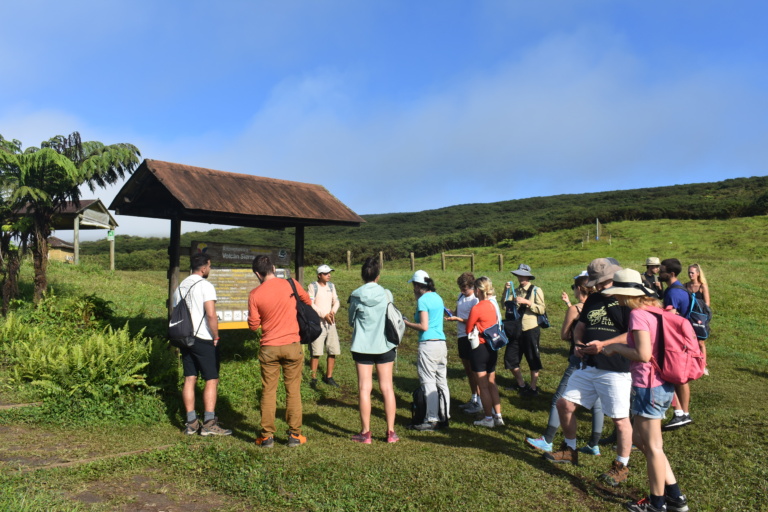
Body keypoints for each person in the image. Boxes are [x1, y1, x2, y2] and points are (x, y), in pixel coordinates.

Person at [601, 269, 690, 512]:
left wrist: (615, 347)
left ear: (625, 294)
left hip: (649, 385)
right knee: (643, 440)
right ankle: (675, 497)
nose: (615, 297)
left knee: (652, 447)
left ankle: (657, 503)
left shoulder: (638, 315)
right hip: (661, 383)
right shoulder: (655, 310)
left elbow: (642, 354)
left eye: (617, 293)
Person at [545, 258, 634, 488]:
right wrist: (577, 342)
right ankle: (570, 449)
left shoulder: (625, 300)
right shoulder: (594, 298)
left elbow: (634, 334)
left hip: (615, 368)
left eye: (603, 282)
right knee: (564, 404)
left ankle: (621, 466)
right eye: (597, 283)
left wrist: (604, 345)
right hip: (589, 364)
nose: (599, 287)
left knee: (620, 420)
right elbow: (581, 325)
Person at [526, 271, 604, 455]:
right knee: (597, 401)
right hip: (598, 357)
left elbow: (563, 335)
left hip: (578, 356)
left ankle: (548, 439)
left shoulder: (576, 309)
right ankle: (594, 444)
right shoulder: (600, 307)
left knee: (559, 398)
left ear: (579, 289)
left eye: (574, 287)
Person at [248, 255, 309, 448]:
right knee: (293, 391)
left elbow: (253, 326)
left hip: (269, 348)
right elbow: (307, 301)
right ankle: (294, 435)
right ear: (273, 268)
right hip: (292, 344)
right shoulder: (291, 284)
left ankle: (267, 436)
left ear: (257, 274)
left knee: (268, 391)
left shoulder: (254, 294)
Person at [173, 253, 231, 436]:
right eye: (209, 266)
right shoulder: (205, 285)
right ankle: (209, 423)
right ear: (204, 267)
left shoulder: (181, 286)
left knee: (190, 378)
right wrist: (216, 336)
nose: (210, 269)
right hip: (203, 337)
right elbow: (211, 314)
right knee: (211, 379)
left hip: (185, 338)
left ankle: (191, 422)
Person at [348, 256, 399, 443]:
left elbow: (351, 320)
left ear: (363, 275)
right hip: (385, 345)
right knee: (387, 387)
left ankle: (365, 432)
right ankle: (391, 432)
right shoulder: (387, 294)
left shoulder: (356, 295)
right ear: (378, 275)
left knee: (364, 388)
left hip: (362, 346)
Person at [404, 269, 450, 431]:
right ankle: (445, 415)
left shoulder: (423, 300)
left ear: (418, 286)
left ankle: (431, 419)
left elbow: (424, 326)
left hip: (428, 344)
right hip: (441, 343)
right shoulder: (438, 297)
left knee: (428, 381)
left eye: (414, 286)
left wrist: (407, 323)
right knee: (441, 381)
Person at [465, 276, 504, 428]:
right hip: (492, 347)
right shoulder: (492, 305)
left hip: (480, 348)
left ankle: (488, 418)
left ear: (477, 290)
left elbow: (468, 329)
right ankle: (498, 415)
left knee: (483, 386)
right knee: (492, 382)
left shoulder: (477, 308)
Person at [659, 258, 693, 431]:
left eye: (662, 270)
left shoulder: (673, 293)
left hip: (675, 340)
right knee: (678, 377)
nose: (659, 272)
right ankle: (681, 412)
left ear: (671, 273)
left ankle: (681, 413)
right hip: (680, 339)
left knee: (677, 377)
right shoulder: (678, 289)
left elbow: (669, 317)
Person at [503, 264, 546, 396]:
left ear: (528, 277)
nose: (520, 278)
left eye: (523, 275)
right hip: (515, 329)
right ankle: (521, 384)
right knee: (510, 358)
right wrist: (506, 291)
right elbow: (505, 306)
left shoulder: (536, 290)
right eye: (519, 275)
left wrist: (527, 303)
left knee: (533, 358)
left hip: (530, 329)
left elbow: (542, 309)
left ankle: (533, 388)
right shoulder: (515, 290)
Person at [445, 272, 482, 414]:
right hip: (461, 336)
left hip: (471, 336)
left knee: (475, 370)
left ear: (471, 286)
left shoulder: (475, 299)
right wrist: (451, 313)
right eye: (460, 288)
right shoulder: (461, 296)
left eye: (464, 288)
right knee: (468, 370)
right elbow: (459, 312)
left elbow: (475, 321)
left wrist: (458, 319)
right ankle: (473, 398)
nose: (462, 291)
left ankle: (480, 401)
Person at [308, 264, 341, 388]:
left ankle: (329, 377)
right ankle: (313, 378)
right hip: (318, 324)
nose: (329, 275)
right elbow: (311, 303)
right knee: (316, 352)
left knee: (332, 350)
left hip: (331, 323)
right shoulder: (313, 286)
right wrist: (323, 315)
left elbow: (336, 300)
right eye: (326, 273)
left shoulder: (331, 286)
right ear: (319, 275)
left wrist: (333, 312)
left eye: (329, 273)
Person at [685, 263, 711, 374]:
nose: (690, 275)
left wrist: (701, 314)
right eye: (689, 273)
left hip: (700, 317)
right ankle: (691, 363)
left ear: (698, 273)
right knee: (689, 340)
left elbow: (707, 303)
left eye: (692, 273)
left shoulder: (702, 286)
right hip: (689, 317)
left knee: (701, 342)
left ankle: (703, 365)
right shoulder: (685, 286)